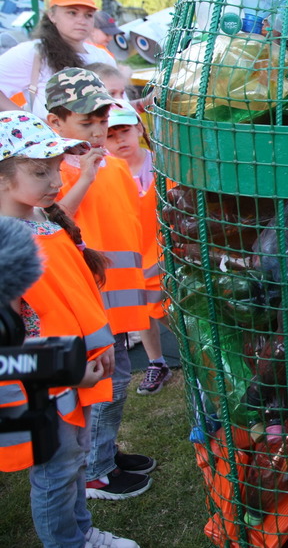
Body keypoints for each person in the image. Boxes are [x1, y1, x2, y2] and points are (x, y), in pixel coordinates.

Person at [0, 110, 141, 548]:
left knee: (73, 461)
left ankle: (81, 532)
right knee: (57, 471)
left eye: (57, 167)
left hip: (72, 373)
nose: (55, 179)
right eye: (40, 171)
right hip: (45, 386)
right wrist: (68, 371)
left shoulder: (42, 224)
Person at [42, 68, 156, 501]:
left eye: (101, 122)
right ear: (55, 123)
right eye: (85, 123)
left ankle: (104, 455)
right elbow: (51, 226)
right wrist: (85, 177)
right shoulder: (55, 171)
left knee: (116, 379)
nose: (97, 131)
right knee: (107, 383)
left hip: (119, 300)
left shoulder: (111, 163)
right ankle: (95, 471)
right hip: (89, 302)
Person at [103, 100, 173, 395]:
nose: (119, 140)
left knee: (173, 313)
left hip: (167, 253)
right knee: (142, 312)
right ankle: (157, 361)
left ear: (139, 129)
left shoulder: (162, 163)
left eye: (124, 131)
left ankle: (197, 359)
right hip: (132, 258)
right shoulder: (106, 174)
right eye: (110, 134)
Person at [0, 0, 118, 117]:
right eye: (72, 13)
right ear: (52, 16)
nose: (81, 21)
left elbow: (118, 102)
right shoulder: (33, 52)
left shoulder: (102, 56)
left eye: (88, 15)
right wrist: (29, 121)